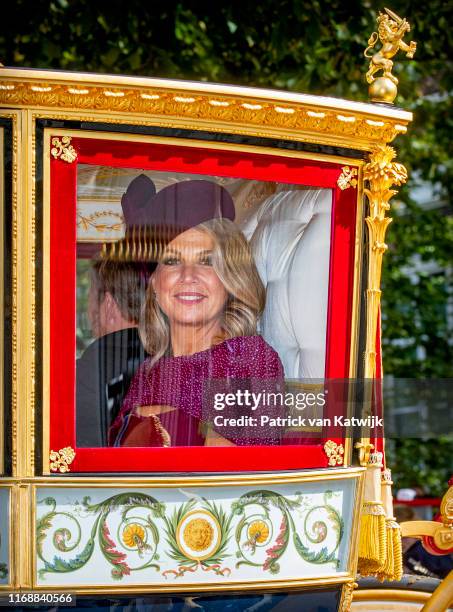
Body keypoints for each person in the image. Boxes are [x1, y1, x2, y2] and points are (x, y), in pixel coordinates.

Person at [108, 180, 285, 447]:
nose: (188, 276)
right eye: (171, 260)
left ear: (229, 280)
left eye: (206, 261)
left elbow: (234, 481)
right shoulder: (148, 371)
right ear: (155, 282)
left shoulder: (248, 361)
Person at [76, 174, 156, 447]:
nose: (87, 312)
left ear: (108, 304)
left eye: (89, 297)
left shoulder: (91, 367)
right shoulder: (167, 355)